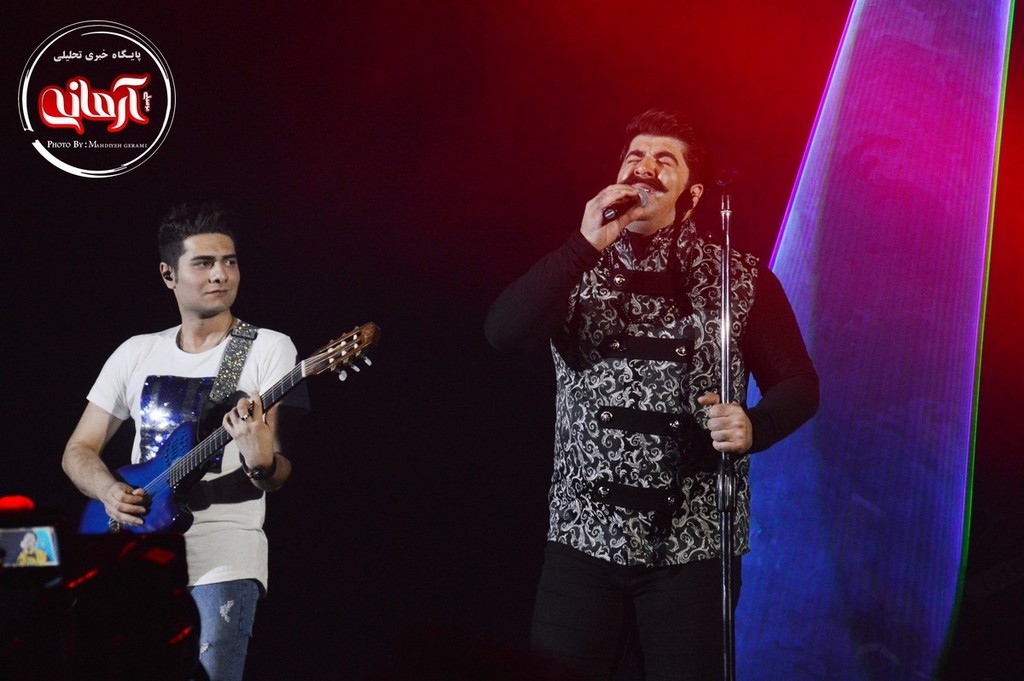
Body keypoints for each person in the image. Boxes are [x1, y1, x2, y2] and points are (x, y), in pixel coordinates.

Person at [485, 109, 819, 680]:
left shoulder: (739, 278)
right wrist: (584, 244)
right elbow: (503, 333)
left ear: (692, 196)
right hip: (583, 541)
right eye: (635, 155)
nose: (645, 166)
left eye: (665, 160)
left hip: (692, 548)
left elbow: (799, 384)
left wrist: (755, 426)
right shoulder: (574, 267)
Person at [62, 202, 303, 681]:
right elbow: (77, 451)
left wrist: (261, 463)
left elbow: (277, 471)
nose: (220, 275)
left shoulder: (268, 348)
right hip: (138, 556)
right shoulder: (136, 352)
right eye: (204, 263)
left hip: (224, 559)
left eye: (229, 262)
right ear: (168, 274)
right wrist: (109, 491)